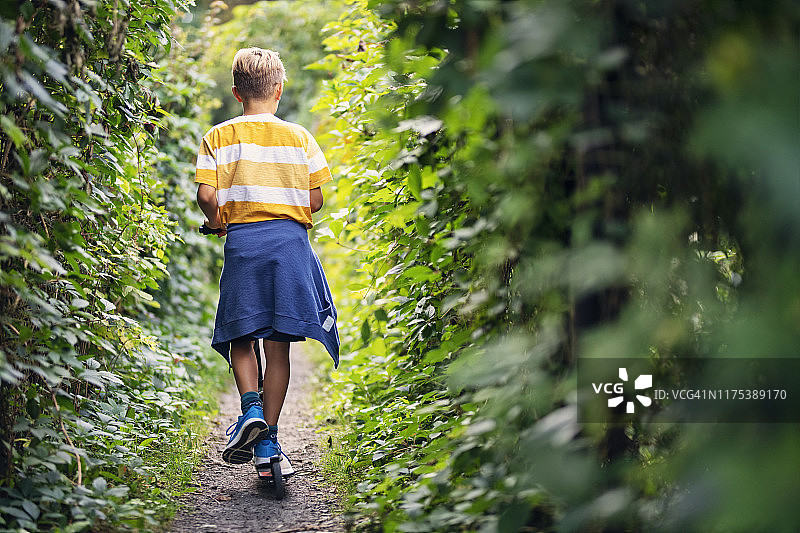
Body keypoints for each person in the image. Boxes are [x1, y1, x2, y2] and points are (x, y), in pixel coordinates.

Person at [194, 47, 339, 469]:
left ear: (237, 93)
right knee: (279, 349)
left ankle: (250, 409)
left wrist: (219, 220)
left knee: (241, 335)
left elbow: (206, 195)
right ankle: (268, 442)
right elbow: (315, 199)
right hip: (290, 246)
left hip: (243, 244)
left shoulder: (218, 137)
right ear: (279, 90)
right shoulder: (300, 137)